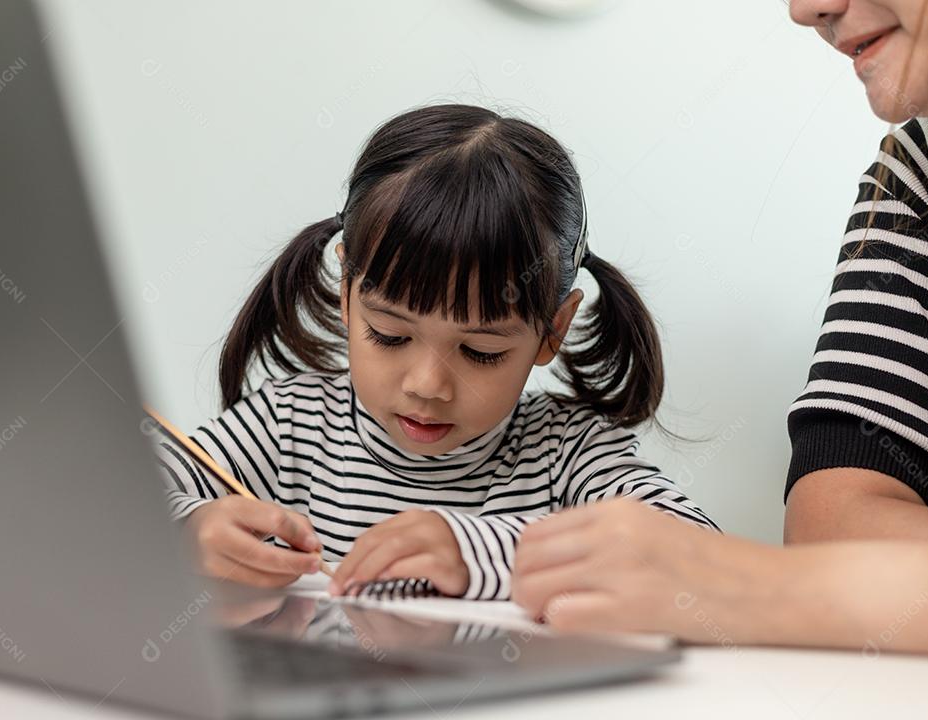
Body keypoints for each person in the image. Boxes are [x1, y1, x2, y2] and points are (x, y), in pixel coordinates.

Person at [513, 0, 928, 657]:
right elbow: (838, 528)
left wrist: (741, 587)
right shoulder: (927, 175)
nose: (805, 9)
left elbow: (839, 562)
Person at [155, 103, 717, 602]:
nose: (427, 384)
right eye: (391, 336)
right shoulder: (290, 426)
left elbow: (699, 556)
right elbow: (115, 492)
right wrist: (190, 530)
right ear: (348, 293)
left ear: (552, 330)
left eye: (480, 351)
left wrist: (482, 553)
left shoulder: (566, 453)